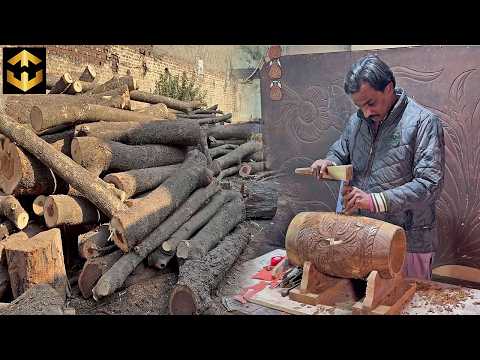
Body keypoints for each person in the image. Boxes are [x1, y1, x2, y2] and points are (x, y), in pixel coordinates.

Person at [310, 55, 445, 280]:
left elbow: (429, 185)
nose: (366, 113)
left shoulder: (423, 122)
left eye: (371, 103)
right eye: (359, 106)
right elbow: (339, 151)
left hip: (408, 242)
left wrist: (375, 201)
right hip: (363, 236)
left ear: (389, 88)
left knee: (409, 304)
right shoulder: (358, 122)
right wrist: (329, 162)